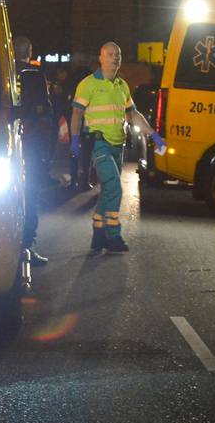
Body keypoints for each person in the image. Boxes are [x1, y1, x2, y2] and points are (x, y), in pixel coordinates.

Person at [69, 42, 164, 255]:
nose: (115, 58)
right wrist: (74, 140)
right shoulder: (89, 84)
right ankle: (113, 235)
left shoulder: (122, 86)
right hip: (99, 142)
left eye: (118, 55)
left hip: (117, 144)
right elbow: (76, 113)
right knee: (114, 186)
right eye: (111, 54)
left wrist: (154, 135)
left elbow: (133, 115)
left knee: (107, 190)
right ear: (101, 58)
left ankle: (98, 233)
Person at [14, 36, 51, 266]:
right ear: (30, 51)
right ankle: (27, 247)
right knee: (30, 195)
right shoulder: (34, 75)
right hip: (30, 146)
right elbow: (46, 115)